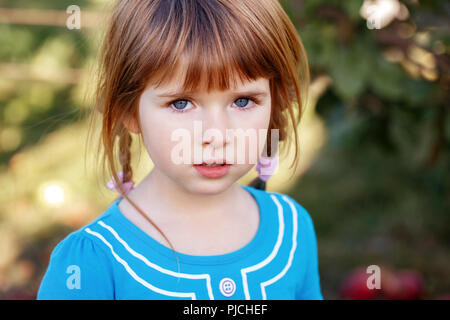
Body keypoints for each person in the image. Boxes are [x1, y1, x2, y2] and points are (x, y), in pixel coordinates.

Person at [37, 0, 323, 300]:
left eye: (242, 101)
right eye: (181, 103)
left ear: (273, 102)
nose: (216, 134)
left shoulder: (291, 230)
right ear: (128, 110)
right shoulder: (91, 264)